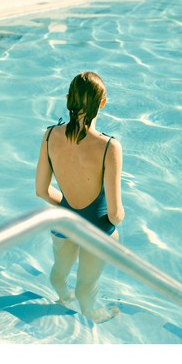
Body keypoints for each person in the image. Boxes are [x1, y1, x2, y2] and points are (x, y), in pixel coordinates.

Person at [35, 71, 124, 323]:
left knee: (59, 274)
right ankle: (92, 315)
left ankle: (63, 298)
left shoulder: (49, 135)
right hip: (97, 230)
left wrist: (69, 207)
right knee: (86, 286)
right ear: (103, 103)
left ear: (67, 99)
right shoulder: (109, 147)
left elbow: (42, 191)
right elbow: (115, 214)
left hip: (64, 223)